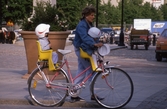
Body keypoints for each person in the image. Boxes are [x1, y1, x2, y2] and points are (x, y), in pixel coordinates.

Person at [71, 5, 104, 102]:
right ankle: (93, 94)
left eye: (93, 15)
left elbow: (92, 35)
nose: (93, 17)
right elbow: (85, 37)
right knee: (91, 71)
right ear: (86, 15)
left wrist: (97, 41)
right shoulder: (82, 25)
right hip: (81, 49)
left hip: (83, 49)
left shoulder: (89, 24)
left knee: (81, 71)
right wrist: (94, 44)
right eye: (92, 15)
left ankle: (74, 93)